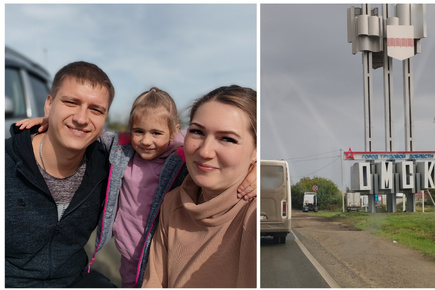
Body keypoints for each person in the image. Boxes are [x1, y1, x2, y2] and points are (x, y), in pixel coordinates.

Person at [16, 87, 258, 288]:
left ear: (173, 132)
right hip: (126, 248)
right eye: (138, 131)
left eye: (156, 133)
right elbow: (88, 133)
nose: (146, 140)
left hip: (150, 248)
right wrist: (51, 124)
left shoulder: (180, 158)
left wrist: (258, 166)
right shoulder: (123, 151)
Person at [5, 61, 117, 287]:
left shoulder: (109, 166)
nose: (82, 118)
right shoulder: (7, 162)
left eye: (96, 109)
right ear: (48, 105)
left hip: (74, 279)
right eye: (70, 102)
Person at [142, 85, 257, 288]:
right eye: (197, 132)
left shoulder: (254, 213)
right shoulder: (173, 202)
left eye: (227, 138)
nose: (205, 151)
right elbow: (154, 281)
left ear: (256, 151)